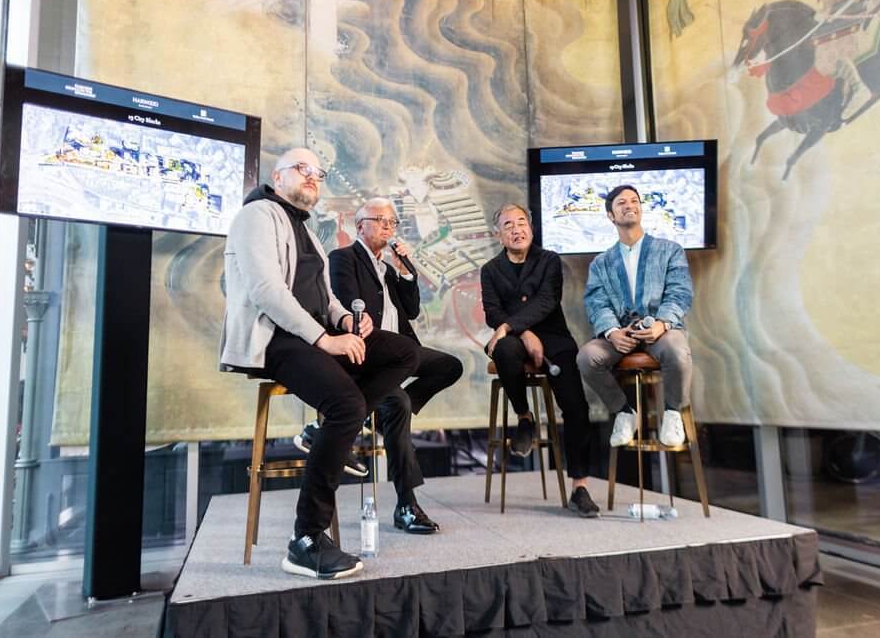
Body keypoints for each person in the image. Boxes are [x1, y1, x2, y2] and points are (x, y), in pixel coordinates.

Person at [220, 147, 419, 579]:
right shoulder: (257, 215)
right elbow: (266, 292)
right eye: (302, 169)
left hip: (312, 334)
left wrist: (345, 319)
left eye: (319, 173)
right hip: (277, 339)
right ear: (277, 176)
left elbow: (324, 296)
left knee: (405, 352)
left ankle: (334, 433)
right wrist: (325, 339)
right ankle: (306, 539)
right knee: (346, 405)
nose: (313, 177)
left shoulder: (306, 230)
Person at [322, 197, 463, 534]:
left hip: (400, 356)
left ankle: (383, 420)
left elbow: (411, 311)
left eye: (392, 222)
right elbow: (348, 306)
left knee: (449, 366)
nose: (388, 226)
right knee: (396, 404)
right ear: (360, 226)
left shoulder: (389, 268)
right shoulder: (343, 258)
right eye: (380, 220)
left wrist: (406, 273)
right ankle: (407, 506)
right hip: (365, 354)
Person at [480, 203, 600, 517]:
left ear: (531, 230)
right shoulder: (490, 270)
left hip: (555, 339)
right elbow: (491, 311)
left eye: (522, 223)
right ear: (498, 235)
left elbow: (547, 300)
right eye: (508, 225)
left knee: (576, 406)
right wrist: (521, 335)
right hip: (515, 342)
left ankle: (580, 486)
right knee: (504, 350)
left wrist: (511, 326)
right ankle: (524, 418)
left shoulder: (548, 260)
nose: (517, 229)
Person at [576, 184, 693, 449]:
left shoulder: (669, 250)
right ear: (611, 216)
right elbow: (597, 301)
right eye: (621, 203)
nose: (630, 205)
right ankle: (624, 412)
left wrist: (662, 324)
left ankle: (673, 412)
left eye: (634, 201)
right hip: (620, 334)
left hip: (661, 329)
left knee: (676, 349)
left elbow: (680, 291)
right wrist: (612, 332)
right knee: (586, 357)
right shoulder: (601, 262)